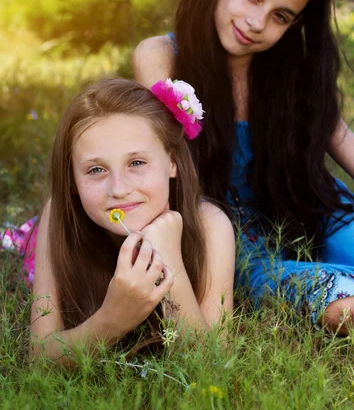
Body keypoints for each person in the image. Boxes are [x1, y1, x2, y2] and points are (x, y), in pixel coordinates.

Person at [132, 0, 354, 334]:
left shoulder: (292, 79)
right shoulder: (162, 57)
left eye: (281, 16)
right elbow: (153, 157)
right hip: (225, 235)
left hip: (310, 208)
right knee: (341, 304)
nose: (257, 23)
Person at [26, 78, 234, 365]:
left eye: (136, 163)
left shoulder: (211, 225)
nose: (119, 189)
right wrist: (113, 318)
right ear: (72, 180)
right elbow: (39, 359)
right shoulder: (60, 215)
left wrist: (169, 258)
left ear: (171, 161)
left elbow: (211, 366)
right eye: (96, 169)